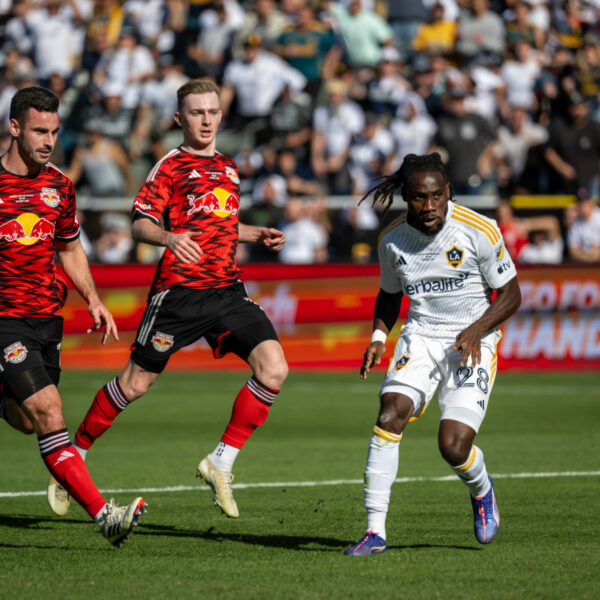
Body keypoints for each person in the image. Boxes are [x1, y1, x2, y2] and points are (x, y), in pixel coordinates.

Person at [47, 79, 289, 520]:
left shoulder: (229, 168)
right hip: (178, 295)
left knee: (274, 368)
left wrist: (257, 233)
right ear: (180, 118)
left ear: (220, 114)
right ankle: (75, 454)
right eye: (196, 112)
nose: (206, 119)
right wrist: (168, 237)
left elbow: (221, 227)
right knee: (135, 384)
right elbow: (140, 224)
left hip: (228, 291)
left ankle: (221, 461)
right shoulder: (170, 166)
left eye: (212, 111)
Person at [344, 153, 522, 556]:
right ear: (406, 197)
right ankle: (374, 532)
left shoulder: (479, 229)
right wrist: (378, 336)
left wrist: (477, 329)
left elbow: (511, 295)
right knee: (390, 413)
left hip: (475, 339)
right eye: (420, 198)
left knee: (453, 446)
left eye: (437, 197)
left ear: (448, 193)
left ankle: (481, 489)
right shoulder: (392, 239)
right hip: (421, 336)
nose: (429, 208)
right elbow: (389, 296)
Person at [0, 86, 145, 547]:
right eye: (40, 131)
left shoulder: (59, 186)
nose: (49, 140)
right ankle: (105, 515)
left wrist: (94, 298)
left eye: (55, 132)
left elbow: (68, 247)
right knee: (50, 411)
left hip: (47, 317)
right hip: (5, 319)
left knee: (27, 420)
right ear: (15, 127)